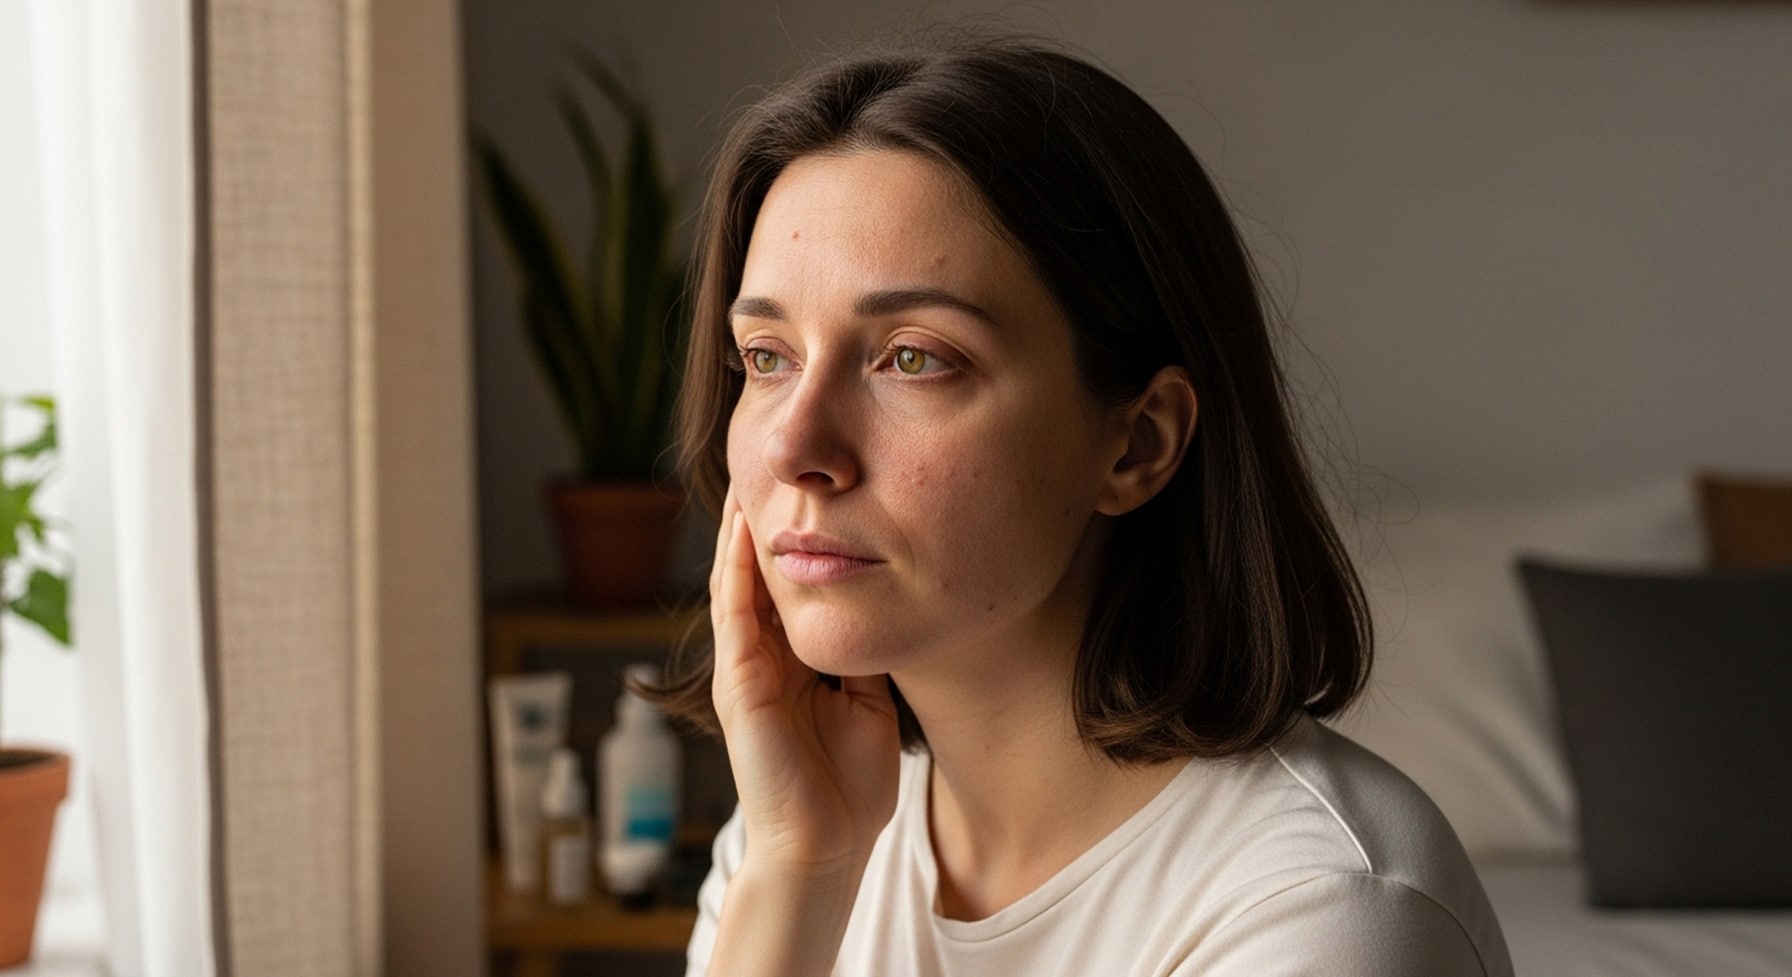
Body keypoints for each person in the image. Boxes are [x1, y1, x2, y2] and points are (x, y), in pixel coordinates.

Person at [649, 34, 1514, 977]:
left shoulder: (1328, 913)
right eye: (767, 357)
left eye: (913, 357)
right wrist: (797, 870)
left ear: (1137, 442)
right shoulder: (799, 823)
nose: (792, 448)